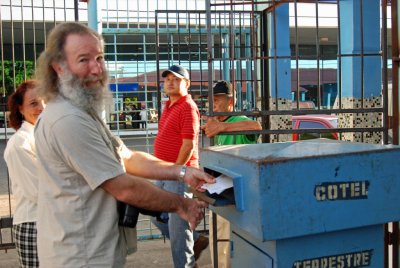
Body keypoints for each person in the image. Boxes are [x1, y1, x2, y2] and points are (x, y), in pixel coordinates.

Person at [33, 22, 215, 267]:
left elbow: (126, 157)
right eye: (84, 60)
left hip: (92, 249)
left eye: (99, 57)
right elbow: (124, 188)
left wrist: (181, 171)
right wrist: (182, 205)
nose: (97, 68)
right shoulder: (68, 119)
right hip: (80, 256)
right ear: (59, 68)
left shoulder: (81, 111)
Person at [152, 64, 209, 268]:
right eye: (167, 79)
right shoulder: (168, 105)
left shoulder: (188, 107)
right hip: (165, 172)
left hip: (179, 174)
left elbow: (188, 145)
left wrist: (177, 171)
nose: (170, 82)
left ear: (187, 84)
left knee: (177, 229)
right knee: (155, 213)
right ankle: (195, 240)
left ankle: (186, 264)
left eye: (175, 79)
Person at [201, 80, 262, 268]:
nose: (214, 104)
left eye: (218, 100)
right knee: (219, 237)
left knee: (226, 239)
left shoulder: (236, 121)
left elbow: (256, 127)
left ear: (230, 101)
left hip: (240, 192)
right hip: (221, 188)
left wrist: (222, 127)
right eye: (212, 100)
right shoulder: (214, 124)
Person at [3, 80, 45, 268]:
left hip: (51, 221)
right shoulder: (20, 144)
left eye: (45, 101)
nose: (42, 107)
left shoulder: (43, 136)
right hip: (33, 224)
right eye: (34, 103)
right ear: (20, 109)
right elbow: (39, 191)